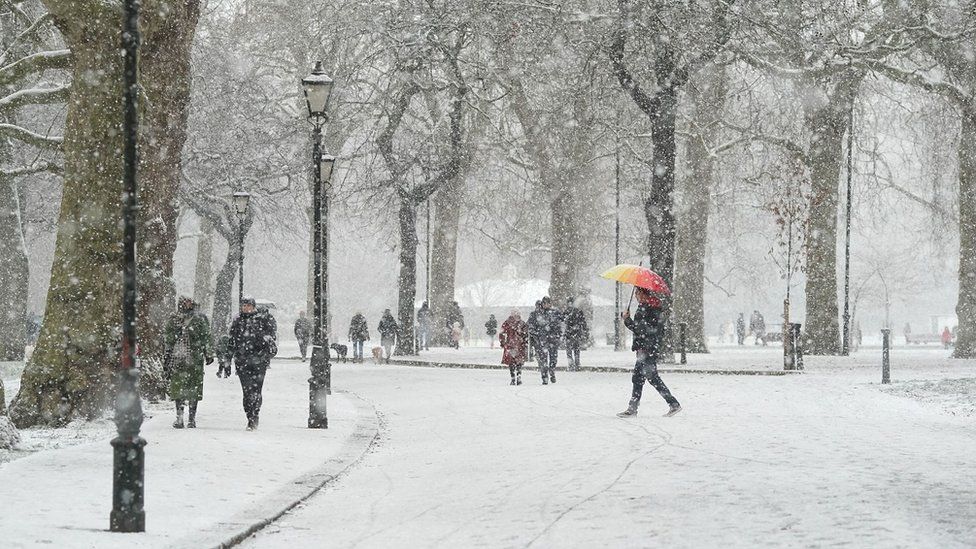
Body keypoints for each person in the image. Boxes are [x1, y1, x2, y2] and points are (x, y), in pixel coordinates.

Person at [617, 288, 681, 418]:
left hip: (647, 349)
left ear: (644, 294)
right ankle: (633, 408)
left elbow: (641, 330)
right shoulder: (650, 307)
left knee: (651, 378)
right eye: (635, 293)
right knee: (638, 378)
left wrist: (627, 320)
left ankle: (673, 404)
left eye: (637, 293)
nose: (635, 296)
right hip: (647, 348)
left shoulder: (649, 308)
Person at [163, 297, 214, 429]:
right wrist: (175, 334)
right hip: (178, 358)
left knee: (194, 388)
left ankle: (192, 418)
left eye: (190, 303)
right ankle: (179, 418)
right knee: (178, 388)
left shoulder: (199, 319)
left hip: (195, 358)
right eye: (186, 302)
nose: (188, 305)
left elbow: (206, 336)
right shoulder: (174, 319)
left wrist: (208, 353)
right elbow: (167, 337)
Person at [228, 296, 277, 430]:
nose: (246, 308)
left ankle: (255, 414)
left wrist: (264, 352)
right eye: (244, 306)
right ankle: (249, 414)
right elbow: (231, 341)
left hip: (258, 362)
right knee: (246, 390)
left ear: (253, 306)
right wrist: (227, 360)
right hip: (242, 362)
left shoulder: (262, 320)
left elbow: (271, 340)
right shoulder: (237, 321)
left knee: (256, 390)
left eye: (248, 305)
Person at [537, 296, 562, 385]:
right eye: (544, 303)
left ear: (550, 304)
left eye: (548, 303)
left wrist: (558, 335)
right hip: (543, 339)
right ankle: (544, 377)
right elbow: (534, 325)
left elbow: (561, 322)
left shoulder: (555, 312)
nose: (546, 305)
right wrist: (538, 334)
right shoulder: (539, 313)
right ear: (542, 304)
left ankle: (552, 371)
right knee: (543, 359)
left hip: (553, 339)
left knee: (553, 358)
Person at [499, 310, 528, 385]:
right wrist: (502, 342)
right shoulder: (508, 323)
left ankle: (518, 377)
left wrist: (524, 340)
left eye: (517, 314)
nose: (516, 316)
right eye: (515, 314)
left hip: (518, 345)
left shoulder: (521, 323)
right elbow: (502, 333)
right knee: (512, 363)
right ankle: (513, 378)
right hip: (511, 345)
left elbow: (526, 334)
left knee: (518, 362)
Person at [564, 297, 588, 371]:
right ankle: (576, 365)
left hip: (571, 334)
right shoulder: (576, 312)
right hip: (574, 334)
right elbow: (583, 323)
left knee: (572, 350)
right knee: (575, 350)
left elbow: (583, 322)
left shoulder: (569, 312)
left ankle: (573, 364)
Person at [527, 300, 543, 368]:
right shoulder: (534, 314)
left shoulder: (539, 314)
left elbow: (529, 323)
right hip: (536, 335)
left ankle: (540, 364)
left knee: (539, 351)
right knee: (539, 351)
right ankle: (540, 364)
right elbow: (529, 323)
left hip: (538, 335)